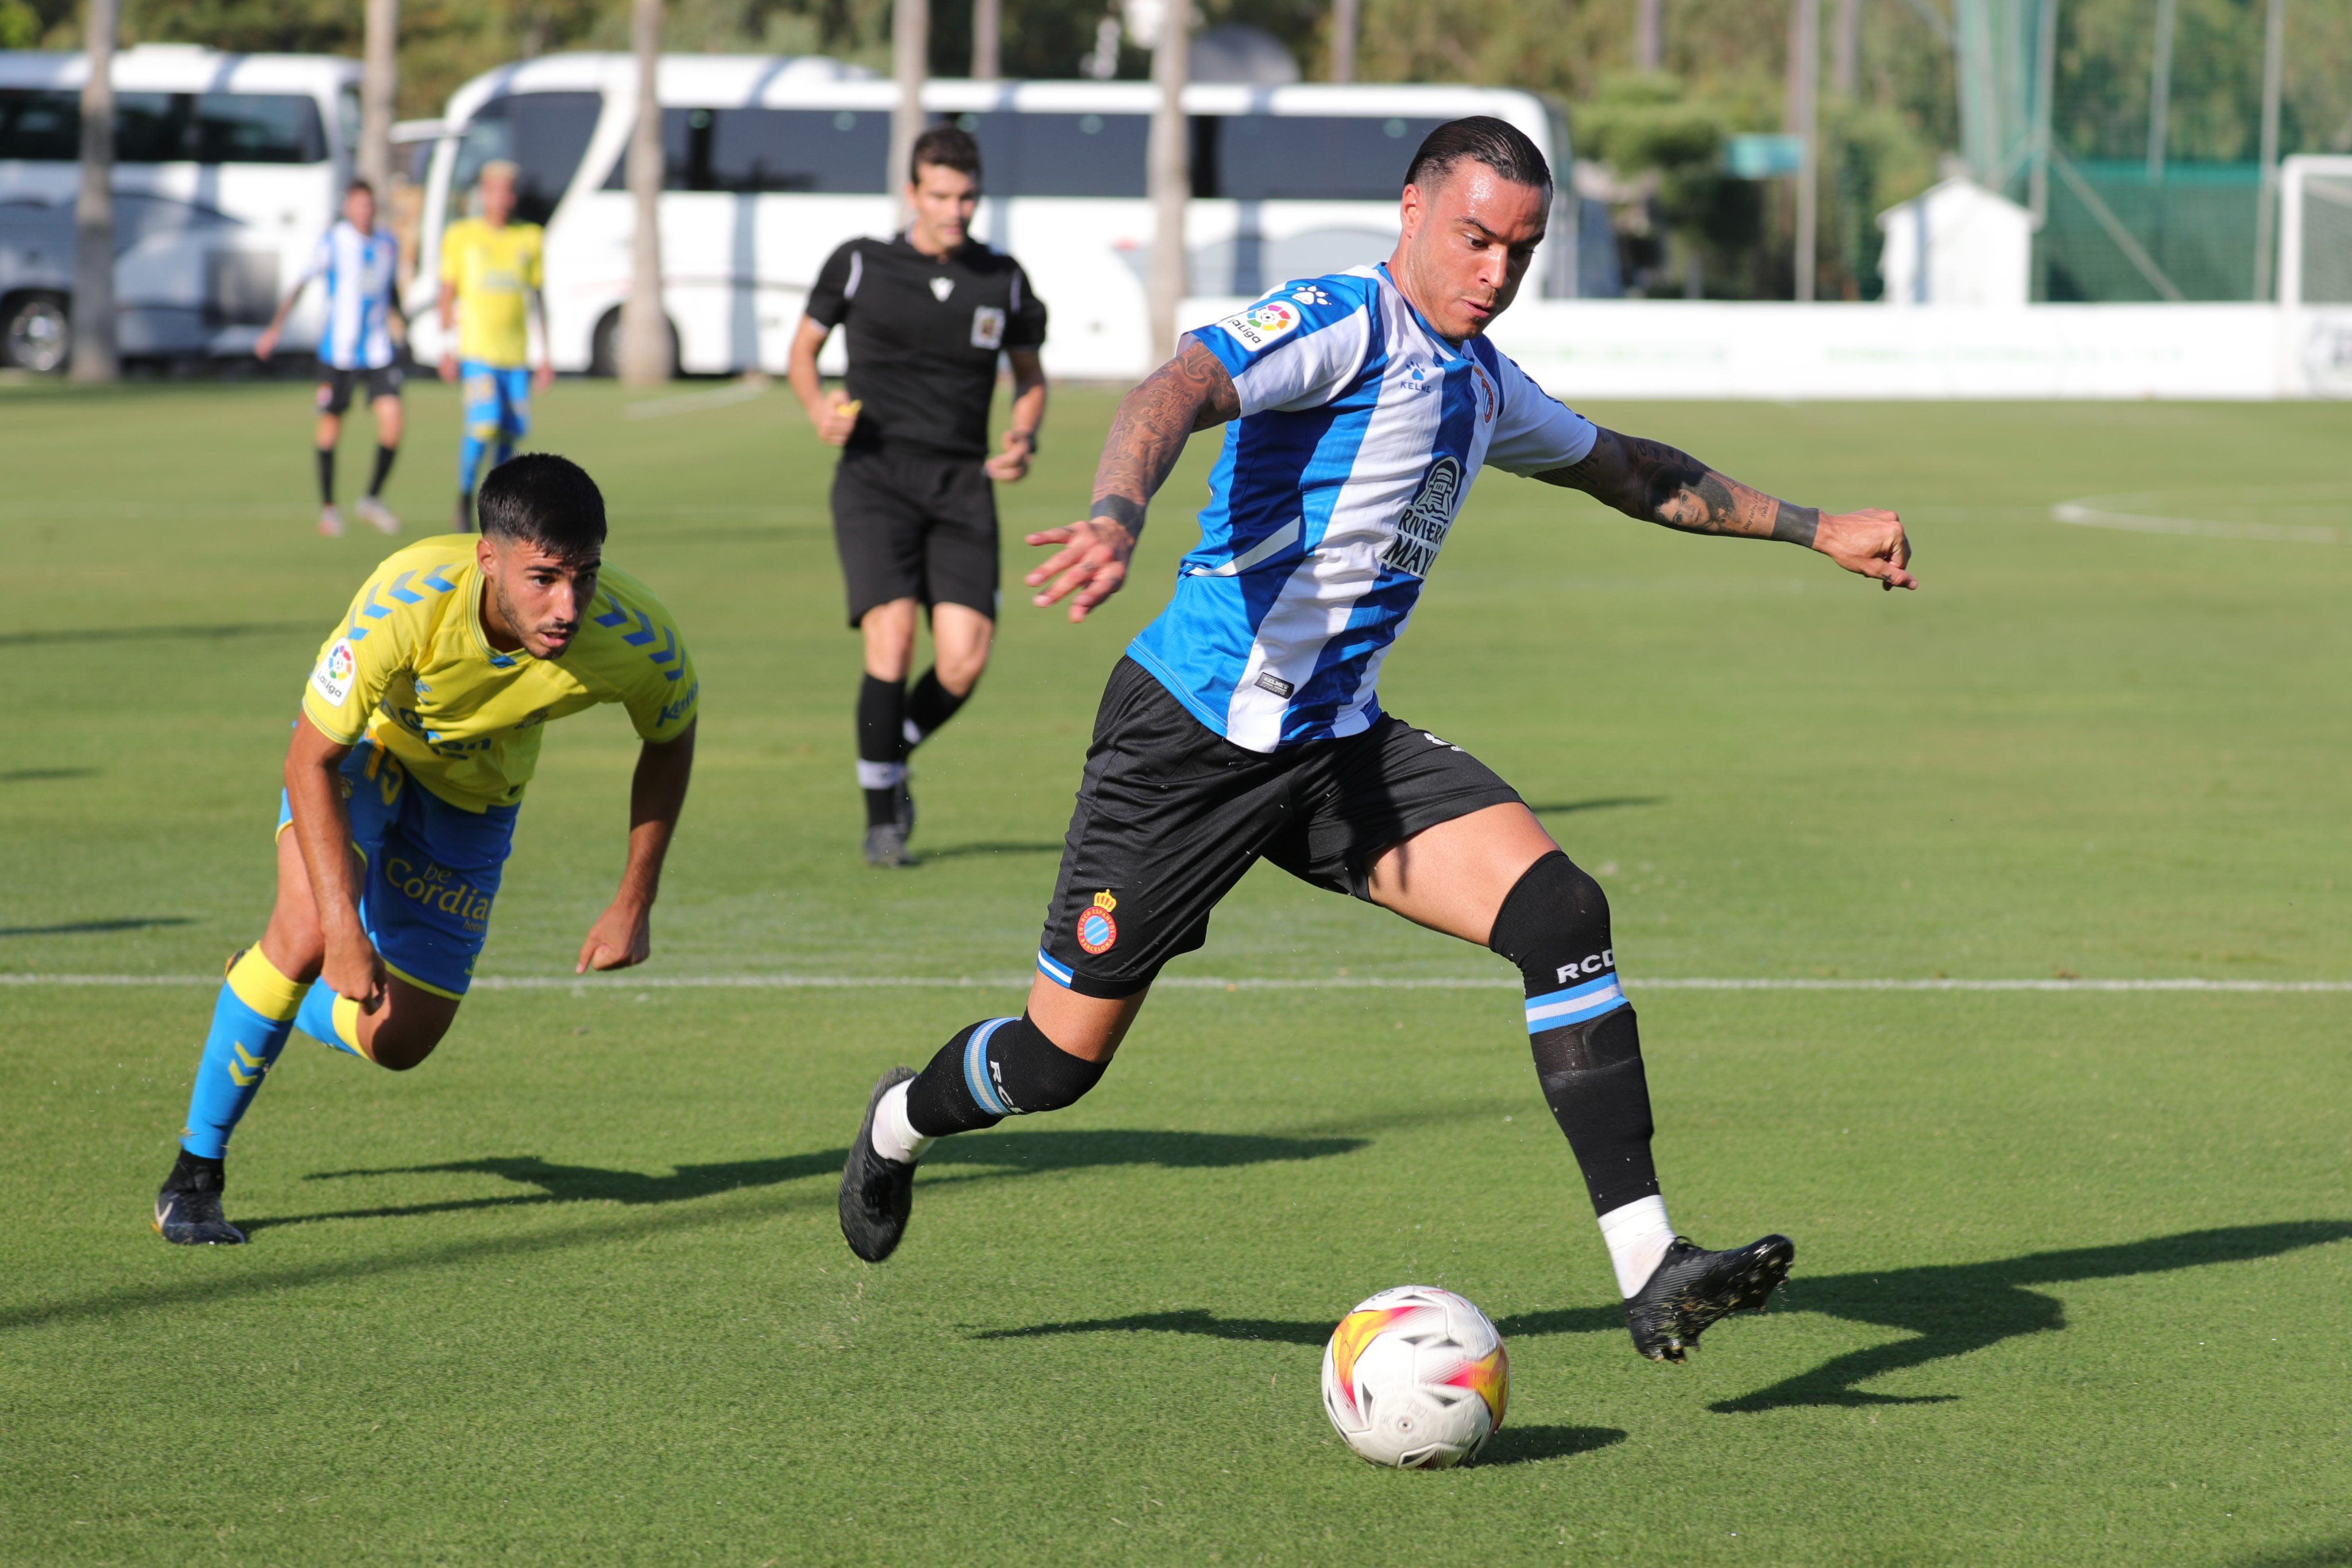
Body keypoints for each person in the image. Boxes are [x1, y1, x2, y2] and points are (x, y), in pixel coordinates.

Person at [835, 118, 1916, 1364]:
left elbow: (1629, 471)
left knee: (1560, 912)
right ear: (1409, 214)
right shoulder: (1338, 323)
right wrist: (1115, 514)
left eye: (1518, 249)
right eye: (1472, 239)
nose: (1493, 272)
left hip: (1336, 750)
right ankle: (902, 1120)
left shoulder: (1482, 382)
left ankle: (1651, 1267)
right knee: (1054, 1064)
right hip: (1187, 742)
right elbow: (1173, 385)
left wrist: (1812, 524)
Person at [152, 454, 700, 1246]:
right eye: (544, 576)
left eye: (585, 576)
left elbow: (671, 739)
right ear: (490, 558)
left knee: (402, 1040)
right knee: (308, 931)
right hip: (365, 754)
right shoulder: (405, 598)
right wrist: (341, 928)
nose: (568, 604)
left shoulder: (638, 637)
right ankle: (195, 1174)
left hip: (476, 796)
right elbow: (308, 757)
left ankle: (262, 983)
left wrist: (634, 900)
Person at [788, 124, 1048, 868]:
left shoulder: (1003, 279)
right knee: (893, 640)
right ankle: (882, 820)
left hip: (962, 484)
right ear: (912, 193)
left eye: (967, 197)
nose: (956, 210)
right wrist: (817, 408)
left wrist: (1022, 438)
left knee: (964, 661)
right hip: (875, 476)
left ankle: (889, 750)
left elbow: (1029, 379)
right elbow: (802, 353)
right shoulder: (861, 263)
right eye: (941, 195)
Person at [255, 177, 407, 539]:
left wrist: (405, 324)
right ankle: (329, 509)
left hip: (378, 351)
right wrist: (275, 328)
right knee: (330, 429)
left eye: (369, 205)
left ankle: (371, 499)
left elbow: (391, 290)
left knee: (393, 423)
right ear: (348, 208)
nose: (364, 211)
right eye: (358, 204)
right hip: (338, 353)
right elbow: (301, 283)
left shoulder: (388, 243)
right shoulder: (334, 242)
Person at [438, 161, 554, 532]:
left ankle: (497, 507)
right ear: (483, 194)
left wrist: (546, 355)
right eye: (496, 190)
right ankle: (463, 496)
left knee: (509, 434)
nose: (504, 198)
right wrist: (446, 346)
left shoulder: (530, 237)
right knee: (482, 426)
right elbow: (447, 291)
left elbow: (538, 296)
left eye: (509, 190)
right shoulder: (461, 235)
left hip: (516, 355)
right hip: (477, 351)